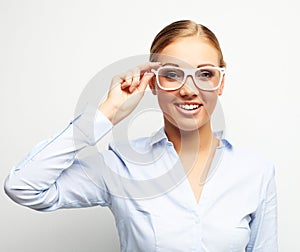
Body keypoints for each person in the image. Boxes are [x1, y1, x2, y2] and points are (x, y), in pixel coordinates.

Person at [4, 20, 277, 251]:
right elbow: (24, 187)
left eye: (205, 73)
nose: (189, 89)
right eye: (172, 74)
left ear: (221, 82)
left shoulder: (255, 172)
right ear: (153, 82)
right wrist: (107, 112)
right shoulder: (120, 165)